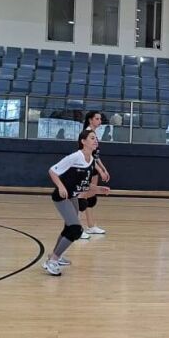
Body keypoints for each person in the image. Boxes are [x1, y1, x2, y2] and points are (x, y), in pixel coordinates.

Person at [44, 130, 108, 276]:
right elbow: (53, 171)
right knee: (76, 230)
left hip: (73, 196)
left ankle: (55, 255)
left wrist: (98, 189)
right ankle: (52, 262)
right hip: (62, 196)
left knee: (68, 228)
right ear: (83, 141)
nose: (95, 140)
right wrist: (60, 187)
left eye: (96, 138)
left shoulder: (91, 161)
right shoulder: (75, 157)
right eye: (92, 138)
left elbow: (84, 185)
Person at [78, 111, 112, 239]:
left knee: (90, 197)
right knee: (83, 196)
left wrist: (103, 168)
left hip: (94, 167)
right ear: (90, 120)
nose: (100, 121)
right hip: (87, 167)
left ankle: (91, 226)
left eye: (100, 119)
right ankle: (76, 227)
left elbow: (96, 156)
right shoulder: (86, 134)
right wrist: (100, 170)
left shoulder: (93, 134)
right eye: (97, 119)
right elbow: (89, 156)